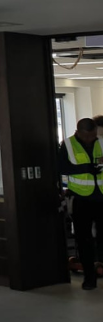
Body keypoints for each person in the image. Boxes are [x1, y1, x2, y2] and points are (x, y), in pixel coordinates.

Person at [59, 117, 103, 290]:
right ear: (78, 132)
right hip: (81, 199)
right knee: (84, 240)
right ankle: (89, 278)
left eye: (93, 136)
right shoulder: (68, 145)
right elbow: (62, 168)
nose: (90, 139)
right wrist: (86, 168)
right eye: (86, 136)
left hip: (101, 198)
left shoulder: (100, 141)